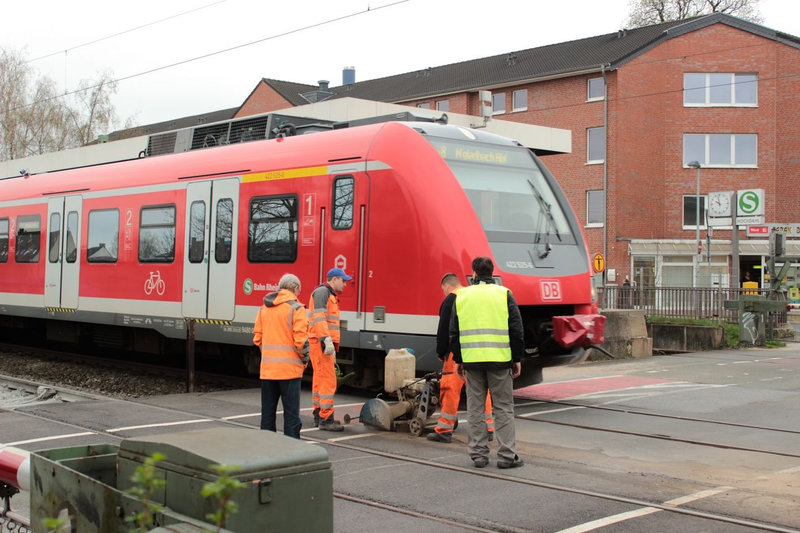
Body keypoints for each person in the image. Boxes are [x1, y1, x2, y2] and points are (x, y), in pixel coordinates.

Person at [450, 257, 525, 469]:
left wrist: (458, 359)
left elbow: (453, 331)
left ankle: (478, 455)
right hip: (500, 361)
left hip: (472, 362)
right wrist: (516, 358)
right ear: (492, 273)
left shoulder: (462, 295)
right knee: (503, 408)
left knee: (475, 408)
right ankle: (507, 456)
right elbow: (517, 329)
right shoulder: (504, 294)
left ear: (473, 273)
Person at [428, 273, 494, 443]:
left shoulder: (451, 299)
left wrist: (441, 351)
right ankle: (488, 427)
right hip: (477, 350)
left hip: (456, 352)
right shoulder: (472, 295)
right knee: (481, 388)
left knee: (450, 388)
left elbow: (444, 330)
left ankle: (444, 429)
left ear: (446, 286)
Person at [252, 273, 309, 439]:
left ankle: (268, 450)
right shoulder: (296, 308)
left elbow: (258, 339)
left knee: (267, 415)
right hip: (290, 371)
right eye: (299, 290)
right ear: (295, 288)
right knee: (291, 416)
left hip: (268, 371)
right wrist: (305, 361)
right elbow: (301, 342)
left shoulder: (264, 308)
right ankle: (291, 451)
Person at [308, 267, 352, 431]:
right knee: (327, 380)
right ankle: (326, 418)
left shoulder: (326, 294)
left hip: (319, 343)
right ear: (334, 279)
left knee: (319, 380)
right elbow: (319, 317)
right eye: (343, 280)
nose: (345, 284)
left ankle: (319, 414)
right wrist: (326, 340)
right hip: (321, 343)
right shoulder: (323, 293)